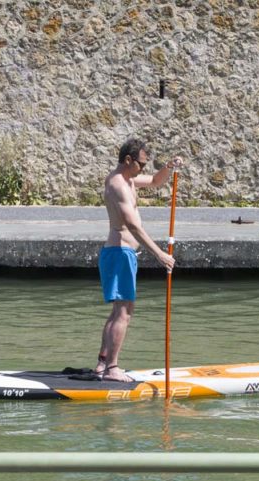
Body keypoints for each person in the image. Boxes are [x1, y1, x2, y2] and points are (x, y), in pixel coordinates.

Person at [95, 139, 183, 382]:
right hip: (120, 253)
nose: (143, 169)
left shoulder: (128, 180)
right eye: (141, 164)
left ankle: (102, 365)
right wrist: (160, 254)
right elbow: (133, 226)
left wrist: (168, 166)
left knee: (118, 312)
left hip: (121, 254)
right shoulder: (118, 185)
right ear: (128, 161)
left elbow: (156, 182)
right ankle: (112, 368)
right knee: (123, 313)